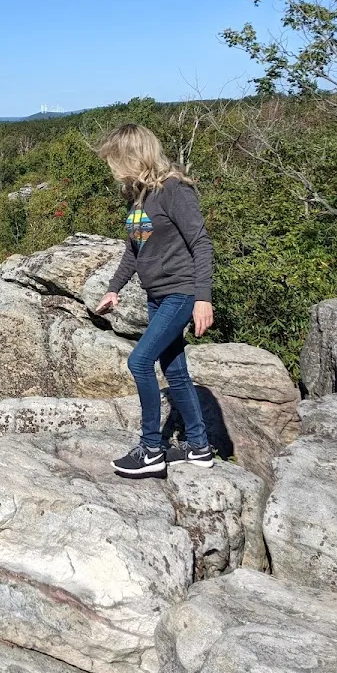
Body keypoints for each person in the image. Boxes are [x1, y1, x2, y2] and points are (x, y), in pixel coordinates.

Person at [94, 123, 214, 479]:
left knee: (140, 362)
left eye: (115, 159)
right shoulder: (139, 196)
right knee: (175, 371)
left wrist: (202, 299)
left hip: (181, 292)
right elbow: (135, 250)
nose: (113, 168)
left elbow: (201, 243)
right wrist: (114, 287)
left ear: (133, 155)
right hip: (156, 296)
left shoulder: (174, 189)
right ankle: (199, 447)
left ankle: (151, 451)